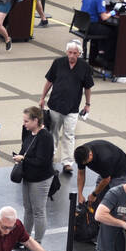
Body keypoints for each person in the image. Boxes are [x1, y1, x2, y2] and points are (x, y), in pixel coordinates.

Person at [40, 41, 94, 177]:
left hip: (72, 108)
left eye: (75, 53)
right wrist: (42, 98)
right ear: (66, 52)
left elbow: (88, 87)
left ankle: (67, 162)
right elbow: (49, 81)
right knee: (53, 133)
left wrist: (88, 104)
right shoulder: (58, 63)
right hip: (55, 105)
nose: (72, 55)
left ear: (80, 54)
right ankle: (50, 157)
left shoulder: (85, 67)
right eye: (70, 52)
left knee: (69, 135)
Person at [14, 107, 55, 241]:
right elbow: (24, 148)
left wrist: (23, 159)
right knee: (28, 209)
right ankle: (25, 239)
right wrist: (19, 157)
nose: (24, 124)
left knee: (38, 210)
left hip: (40, 179)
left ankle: (37, 241)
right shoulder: (27, 132)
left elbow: (42, 161)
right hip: (28, 176)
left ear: (35, 121)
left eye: (26, 121)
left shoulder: (46, 137)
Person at [74, 139, 126, 205]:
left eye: (86, 162)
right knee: (98, 198)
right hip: (105, 169)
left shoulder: (104, 158)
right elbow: (81, 174)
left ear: (90, 155)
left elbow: (106, 180)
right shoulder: (81, 154)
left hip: (121, 170)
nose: (85, 164)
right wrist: (80, 194)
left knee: (114, 198)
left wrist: (93, 194)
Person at [80, 0, 118, 68]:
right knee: (113, 32)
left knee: (102, 28)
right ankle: (104, 57)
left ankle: (98, 55)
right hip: (91, 26)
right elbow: (104, 17)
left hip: (82, 24)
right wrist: (113, 12)